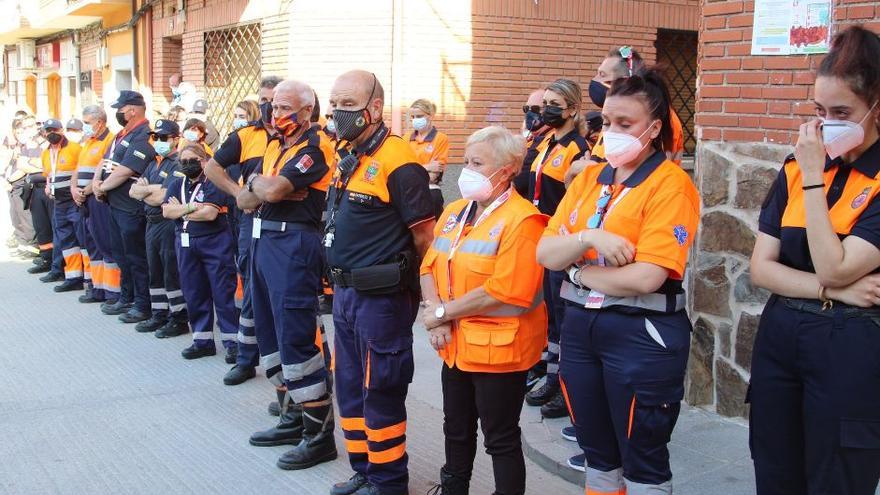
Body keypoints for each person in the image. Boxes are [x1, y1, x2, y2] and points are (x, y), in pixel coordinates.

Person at [536, 68, 700, 495]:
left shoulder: (671, 185)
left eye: (624, 124)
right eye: (607, 122)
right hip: (582, 333)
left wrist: (577, 269)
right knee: (598, 457)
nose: (610, 132)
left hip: (640, 336)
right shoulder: (591, 177)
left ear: (654, 128)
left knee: (642, 460)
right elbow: (544, 252)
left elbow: (647, 275)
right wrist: (589, 238)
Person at [749, 26, 880, 495]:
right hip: (783, 333)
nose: (824, 127)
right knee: (775, 467)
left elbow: (835, 265)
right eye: (819, 112)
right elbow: (761, 268)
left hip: (850, 345)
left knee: (838, 476)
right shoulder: (797, 164)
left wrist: (811, 178)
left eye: (841, 113)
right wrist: (831, 290)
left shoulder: (814, 170)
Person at [419, 126, 548, 495]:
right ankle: (452, 487)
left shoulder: (523, 221)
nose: (467, 170)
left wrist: (443, 314)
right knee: (455, 428)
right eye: (467, 161)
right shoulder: (457, 211)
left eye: (477, 163)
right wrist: (435, 314)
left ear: (507, 169)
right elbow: (429, 265)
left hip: (499, 353)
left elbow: (506, 290)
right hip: (456, 348)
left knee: (500, 438)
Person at [325, 70, 435, 495]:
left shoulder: (399, 159)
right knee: (351, 389)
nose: (339, 112)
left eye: (348, 105)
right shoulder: (349, 153)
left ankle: (389, 483)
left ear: (374, 108)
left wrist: (430, 300)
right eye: (335, 103)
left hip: (382, 300)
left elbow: (425, 236)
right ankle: (365, 470)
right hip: (346, 294)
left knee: (381, 389)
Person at [237, 80, 337, 471]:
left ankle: (319, 435)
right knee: (270, 335)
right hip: (264, 244)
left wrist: (267, 189)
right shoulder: (278, 146)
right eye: (272, 106)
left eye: (283, 108)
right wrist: (258, 186)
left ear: (307, 112)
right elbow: (248, 200)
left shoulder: (315, 146)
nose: (274, 114)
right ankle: (293, 415)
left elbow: (275, 190)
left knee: (297, 338)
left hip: (293, 246)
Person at [205, 78, 278, 396]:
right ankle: (246, 359)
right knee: (251, 287)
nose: (268, 106)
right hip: (253, 222)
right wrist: (238, 194)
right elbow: (212, 167)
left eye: (274, 100)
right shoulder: (246, 136)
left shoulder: (303, 139)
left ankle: (286, 365)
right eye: (263, 99)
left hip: (289, 226)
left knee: (282, 293)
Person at [523, 79, 590, 421]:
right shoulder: (547, 142)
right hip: (542, 238)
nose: (546, 109)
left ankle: (565, 385)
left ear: (573, 110)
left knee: (563, 314)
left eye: (554, 103)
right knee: (549, 312)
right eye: (544, 102)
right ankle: (551, 375)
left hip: (562, 240)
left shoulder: (578, 148)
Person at [162, 144, 239, 361]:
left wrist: (182, 210)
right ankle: (202, 341)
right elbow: (167, 211)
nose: (187, 164)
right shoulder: (176, 184)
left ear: (204, 161)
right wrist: (192, 207)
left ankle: (232, 343)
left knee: (222, 294)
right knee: (194, 293)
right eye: (183, 161)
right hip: (186, 244)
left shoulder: (214, 183)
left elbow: (209, 214)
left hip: (214, 244)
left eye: (192, 160)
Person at [93, 90, 157, 323]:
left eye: (120, 109)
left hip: (131, 207)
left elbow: (127, 169)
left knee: (136, 257)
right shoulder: (121, 133)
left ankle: (143, 304)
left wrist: (103, 187)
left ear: (132, 109)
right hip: (115, 204)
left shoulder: (143, 135)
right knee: (121, 254)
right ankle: (126, 296)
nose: (117, 113)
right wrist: (97, 184)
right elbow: (105, 161)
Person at [128, 119, 189, 337]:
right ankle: (159, 314)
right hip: (151, 222)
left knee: (170, 272)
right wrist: (148, 192)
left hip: (166, 223)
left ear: (175, 139)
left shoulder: (177, 163)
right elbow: (133, 191)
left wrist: (148, 192)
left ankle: (179, 318)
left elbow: (165, 197)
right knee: (155, 271)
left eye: (164, 138)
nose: (159, 141)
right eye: (156, 137)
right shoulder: (154, 162)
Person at [75, 106, 122, 306]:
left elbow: (104, 173)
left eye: (87, 123)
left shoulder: (109, 141)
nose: (84, 127)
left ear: (99, 122)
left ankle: (113, 293)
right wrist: (73, 189)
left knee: (106, 245)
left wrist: (84, 192)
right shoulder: (87, 142)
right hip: (83, 200)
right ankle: (98, 288)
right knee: (91, 247)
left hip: (98, 200)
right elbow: (78, 169)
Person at [40, 118, 84, 292]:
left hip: (75, 201)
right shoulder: (45, 153)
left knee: (82, 238)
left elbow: (82, 170)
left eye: (55, 130)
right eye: (48, 130)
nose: (52, 133)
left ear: (61, 130)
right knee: (66, 240)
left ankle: (89, 278)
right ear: (44, 133)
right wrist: (47, 186)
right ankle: (73, 277)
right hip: (58, 202)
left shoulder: (74, 149)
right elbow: (49, 174)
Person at [404, 99, 449, 219]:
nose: (415, 120)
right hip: (407, 189)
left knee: (433, 201)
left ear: (431, 116)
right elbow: (401, 170)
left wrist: (410, 170)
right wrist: (427, 166)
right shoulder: (406, 138)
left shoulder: (441, 139)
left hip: (430, 189)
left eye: (419, 116)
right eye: (413, 117)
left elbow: (432, 177)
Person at [5, 116, 37, 257]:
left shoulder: (34, 145)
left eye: (23, 130)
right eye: (18, 132)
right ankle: (22, 244)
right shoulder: (18, 147)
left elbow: (24, 168)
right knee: (15, 216)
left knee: (26, 217)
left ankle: (32, 246)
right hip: (13, 185)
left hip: (21, 184)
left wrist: (9, 179)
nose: (21, 134)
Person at [513, 89, 551, 198]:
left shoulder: (547, 141)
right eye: (527, 109)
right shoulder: (531, 138)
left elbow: (517, 180)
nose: (529, 113)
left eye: (535, 109)